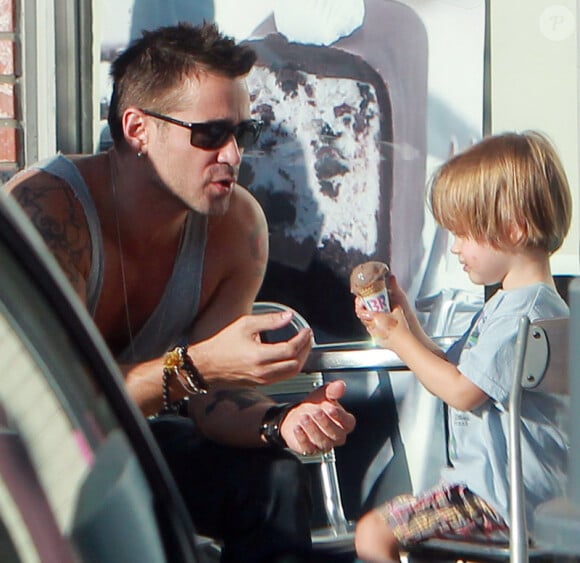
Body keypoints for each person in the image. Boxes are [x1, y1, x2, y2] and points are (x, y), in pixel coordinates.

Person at [4, 22, 356, 562]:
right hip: (21, 458)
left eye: (245, 133)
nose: (235, 155)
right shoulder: (48, 211)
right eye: (210, 134)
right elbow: (55, 412)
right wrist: (195, 367)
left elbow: (212, 401)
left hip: (123, 444)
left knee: (273, 480)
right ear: (138, 130)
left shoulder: (237, 227)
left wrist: (279, 422)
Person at [352, 131, 572, 562]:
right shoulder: (527, 305)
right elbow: (454, 371)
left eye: (464, 234)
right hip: (522, 492)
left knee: (374, 534)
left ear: (513, 228)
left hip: (499, 497)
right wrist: (407, 323)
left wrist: (398, 341)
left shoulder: (518, 315)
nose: (454, 247)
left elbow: (460, 392)